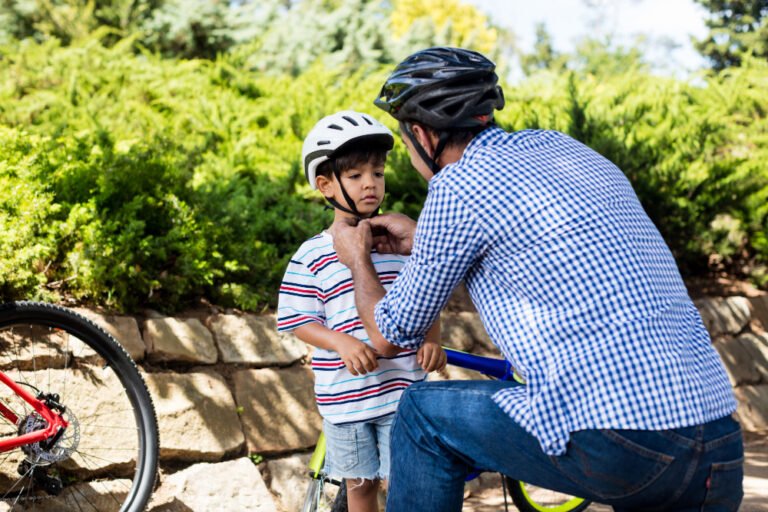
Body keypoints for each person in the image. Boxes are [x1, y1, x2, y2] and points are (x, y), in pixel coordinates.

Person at [330, 48, 744, 511]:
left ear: (423, 135)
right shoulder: (567, 150)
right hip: (718, 440)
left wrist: (357, 260)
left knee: (421, 415)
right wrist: (423, 240)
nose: (409, 157)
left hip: (618, 440)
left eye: (406, 146)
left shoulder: (458, 185)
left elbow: (389, 335)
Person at [277, 110, 446, 512]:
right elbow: (298, 319)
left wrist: (433, 337)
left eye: (378, 172)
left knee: (407, 481)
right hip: (345, 400)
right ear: (325, 184)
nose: (370, 182)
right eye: (355, 176)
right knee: (359, 487)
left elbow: (426, 296)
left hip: (403, 393)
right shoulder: (312, 255)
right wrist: (341, 343)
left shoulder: (398, 245)